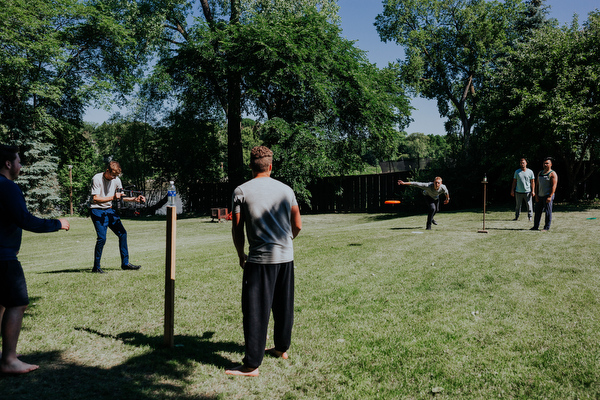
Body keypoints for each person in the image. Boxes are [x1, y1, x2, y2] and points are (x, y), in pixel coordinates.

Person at [226, 146, 302, 377]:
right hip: (285, 257)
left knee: (255, 310)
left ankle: (251, 365)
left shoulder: (241, 190)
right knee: (283, 305)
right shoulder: (286, 190)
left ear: (251, 166)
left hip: (259, 260)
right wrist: (287, 242)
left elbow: (237, 227)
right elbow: (297, 225)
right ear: (270, 166)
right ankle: (281, 349)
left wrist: (241, 253)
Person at [0, 144, 70, 374]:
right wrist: (57, 224)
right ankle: (9, 360)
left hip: (4, 252)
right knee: (17, 303)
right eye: (19, 161)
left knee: (0, 303)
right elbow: (25, 220)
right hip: (3, 257)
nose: (21, 165)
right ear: (8, 164)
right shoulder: (8, 187)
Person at [90, 161, 145, 273]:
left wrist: (135, 199)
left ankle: (125, 263)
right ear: (107, 171)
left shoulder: (116, 180)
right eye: (113, 175)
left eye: (116, 176)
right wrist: (113, 197)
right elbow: (96, 198)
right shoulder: (96, 178)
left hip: (109, 210)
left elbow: (121, 197)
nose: (114, 178)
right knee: (102, 238)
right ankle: (96, 267)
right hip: (97, 209)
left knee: (122, 233)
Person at [531, 157, 558, 231]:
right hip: (540, 196)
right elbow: (537, 184)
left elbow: (554, 186)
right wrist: (536, 195)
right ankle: (535, 226)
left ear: (551, 164)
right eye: (544, 163)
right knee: (537, 212)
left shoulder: (552, 174)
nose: (545, 165)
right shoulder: (540, 173)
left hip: (547, 196)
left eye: (547, 163)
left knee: (548, 212)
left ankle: (546, 227)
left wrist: (550, 196)